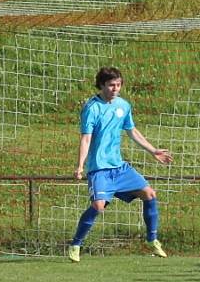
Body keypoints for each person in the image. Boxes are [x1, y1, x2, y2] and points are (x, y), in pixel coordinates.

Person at [68, 67, 173, 262]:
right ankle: (75, 244)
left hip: (119, 167)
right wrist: (80, 166)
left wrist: (153, 151)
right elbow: (85, 139)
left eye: (118, 85)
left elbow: (132, 131)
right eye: (111, 85)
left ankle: (152, 240)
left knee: (149, 194)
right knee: (98, 206)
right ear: (101, 85)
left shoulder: (123, 106)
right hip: (99, 169)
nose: (115, 88)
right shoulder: (92, 108)